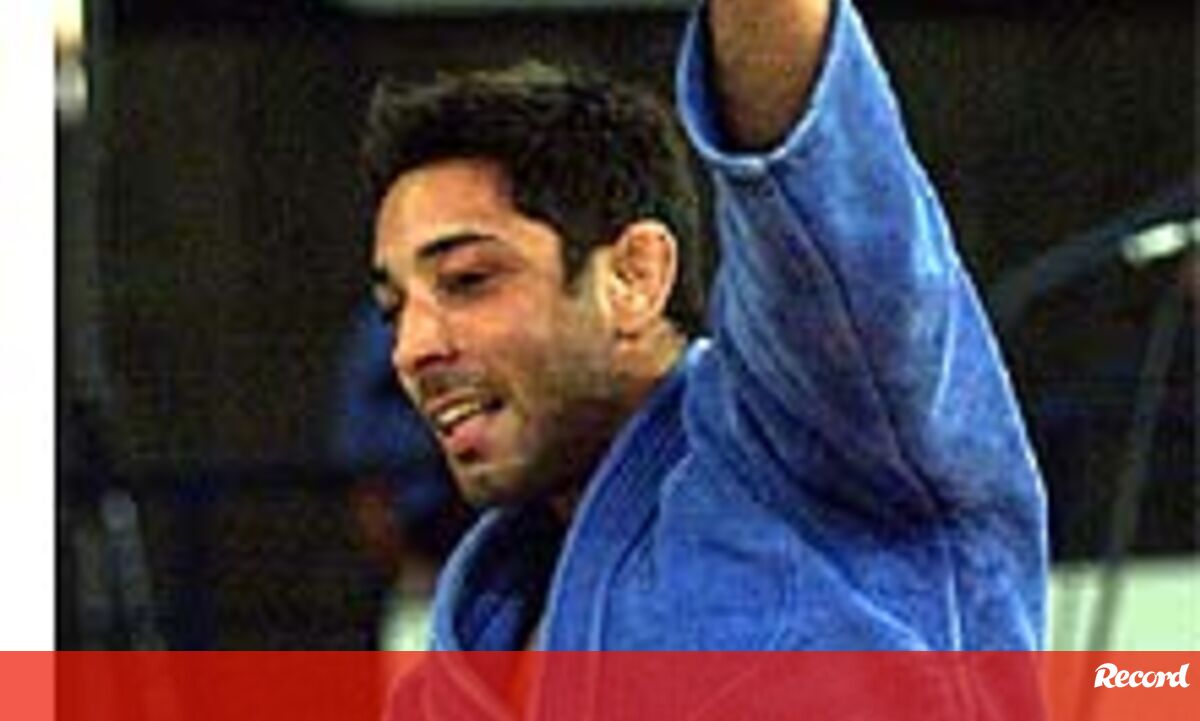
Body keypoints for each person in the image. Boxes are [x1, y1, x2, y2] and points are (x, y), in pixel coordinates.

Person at [364, 0, 1047, 714]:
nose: (412, 348)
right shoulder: (449, 679)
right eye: (394, 309)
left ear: (634, 276)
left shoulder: (821, 437)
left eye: (469, 279)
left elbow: (808, 176)